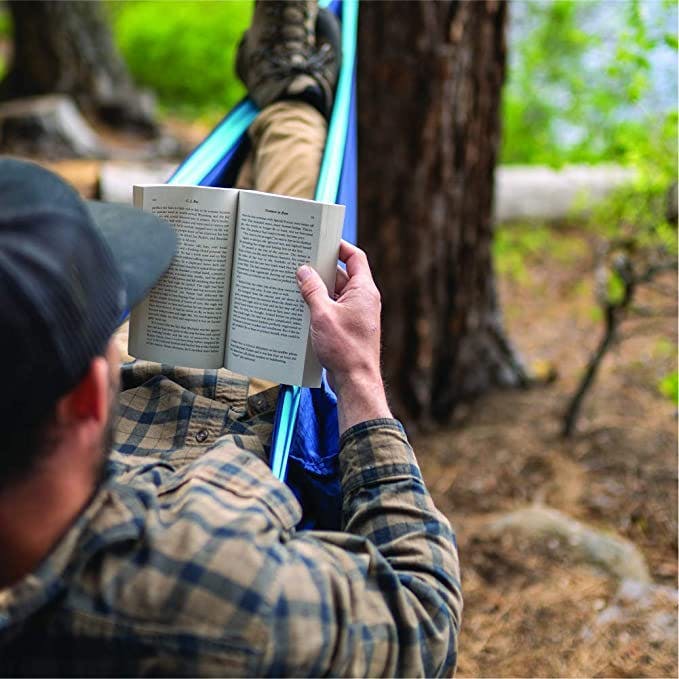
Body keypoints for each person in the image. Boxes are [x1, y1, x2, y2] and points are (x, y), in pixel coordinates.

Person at [0, 1, 462, 676]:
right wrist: (360, 378)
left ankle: (286, 102)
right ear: (86, 395)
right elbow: (423, 623)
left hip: (111, 440)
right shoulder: (208, 594)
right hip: (227, 425)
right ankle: (295, 102)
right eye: (107, 319)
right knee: (295, 233)